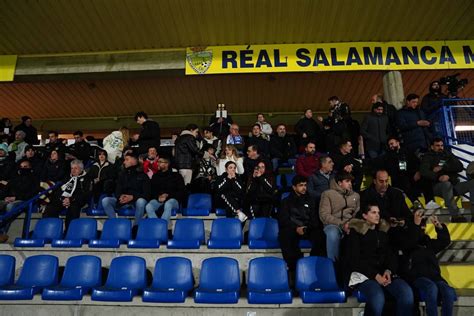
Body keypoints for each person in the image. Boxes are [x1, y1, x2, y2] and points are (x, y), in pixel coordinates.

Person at [343, 204, 414, 316]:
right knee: (377, 295)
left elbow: (391, 255)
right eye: (373, 212)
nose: (377, 215)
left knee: (406, 292)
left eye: (378, 213)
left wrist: (388, 270)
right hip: (363, 275)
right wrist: (375, 275)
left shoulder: (383, 234)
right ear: (365, 216)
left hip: (383, 274)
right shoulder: (355, 233)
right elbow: (354, 260)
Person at [400, 211, 456, 316]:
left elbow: (444, 241)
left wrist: (439, 227)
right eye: (420, 226)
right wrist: (415, 225)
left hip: (435, 277)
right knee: (431, 287)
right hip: (417, 277)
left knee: (448, 291)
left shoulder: (428, 242)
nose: (423, 229)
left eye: (423, 227)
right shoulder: (407, 241)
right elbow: (410, 241)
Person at [277, 175, 326, 274]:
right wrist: (296, 228)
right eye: (301, 185)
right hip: (292, 229)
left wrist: (306, 228)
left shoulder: (312, 200)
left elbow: (314, 219)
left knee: (320, 235)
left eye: (305, 185)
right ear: (294, 187)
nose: (304, 188)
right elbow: (283, 219)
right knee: (285, 235)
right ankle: (294, 268)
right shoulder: (286, 202)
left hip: (308, 228)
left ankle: (313, 264)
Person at [420, 137, 473, 222]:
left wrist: (443, 167)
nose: (440, 147)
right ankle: (456, 216)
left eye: (441, 145)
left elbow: (459, 167)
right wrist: (438, 177)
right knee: (446, 184)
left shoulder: (448, 154)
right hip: (437, 186)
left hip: (454, 185)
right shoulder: (427, 157)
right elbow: (424, 171)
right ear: (432, 147)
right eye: (437, 146)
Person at [319, 172, 360, 261]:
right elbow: (324, 215)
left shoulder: (356, 196)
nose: (350, 183)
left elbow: (357, 214)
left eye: (351, 181)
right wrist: (342, 224)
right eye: (347, 181)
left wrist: (350, 224)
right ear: (339, 183)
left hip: (350, 225)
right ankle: (333, 264)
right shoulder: (328, 194)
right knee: (332, 233)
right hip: (333, 224)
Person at [102, 151, 151, 225]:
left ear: (134, 160)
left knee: (141, 201)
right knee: (105, 201)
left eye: (127, 159)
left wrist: (133, 197)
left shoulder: (143, 176)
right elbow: (117, 190)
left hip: (136, 201)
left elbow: (147, 194)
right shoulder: (122, 174)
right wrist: (120, 196)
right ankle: (115, 224)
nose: (124, 162)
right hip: (123, 201)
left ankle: (136, 226)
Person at [42, 160, 91, 229]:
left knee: (73, 208)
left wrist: (71, 199)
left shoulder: (87, 179)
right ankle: (52, 230)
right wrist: (62, 199)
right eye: (72, 168)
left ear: (81, 169)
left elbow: (85, 194)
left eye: (75, 168)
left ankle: (69, 232)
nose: (73, 170)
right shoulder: (66, 178)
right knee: (50, 208)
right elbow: (59, 191)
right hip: (63, 199)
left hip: (76, 200)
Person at [374, 136, 423, 203]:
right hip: (398, 178)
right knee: (404, 181)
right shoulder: (388, 156)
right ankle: (415, 202)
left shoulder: (407, 152)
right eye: (389, 145)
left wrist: (418, 172)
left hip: (411, 175)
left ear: (397, 142)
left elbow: (417, 163)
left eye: (392, 143)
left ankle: (429, 201)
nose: (391, 146)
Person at [146, 156, 185, 223]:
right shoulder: (155, 176)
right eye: (157, 161)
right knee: (149, 206)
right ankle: (157, 226)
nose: (157, 163)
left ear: (167, 164)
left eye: (160, 162)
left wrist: (167, 196)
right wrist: (158, 197)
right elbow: (151, 191)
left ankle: (163, 227)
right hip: (159, 200)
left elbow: (181, 192)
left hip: (173, 200)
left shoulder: (176, 176)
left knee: (168, 204)